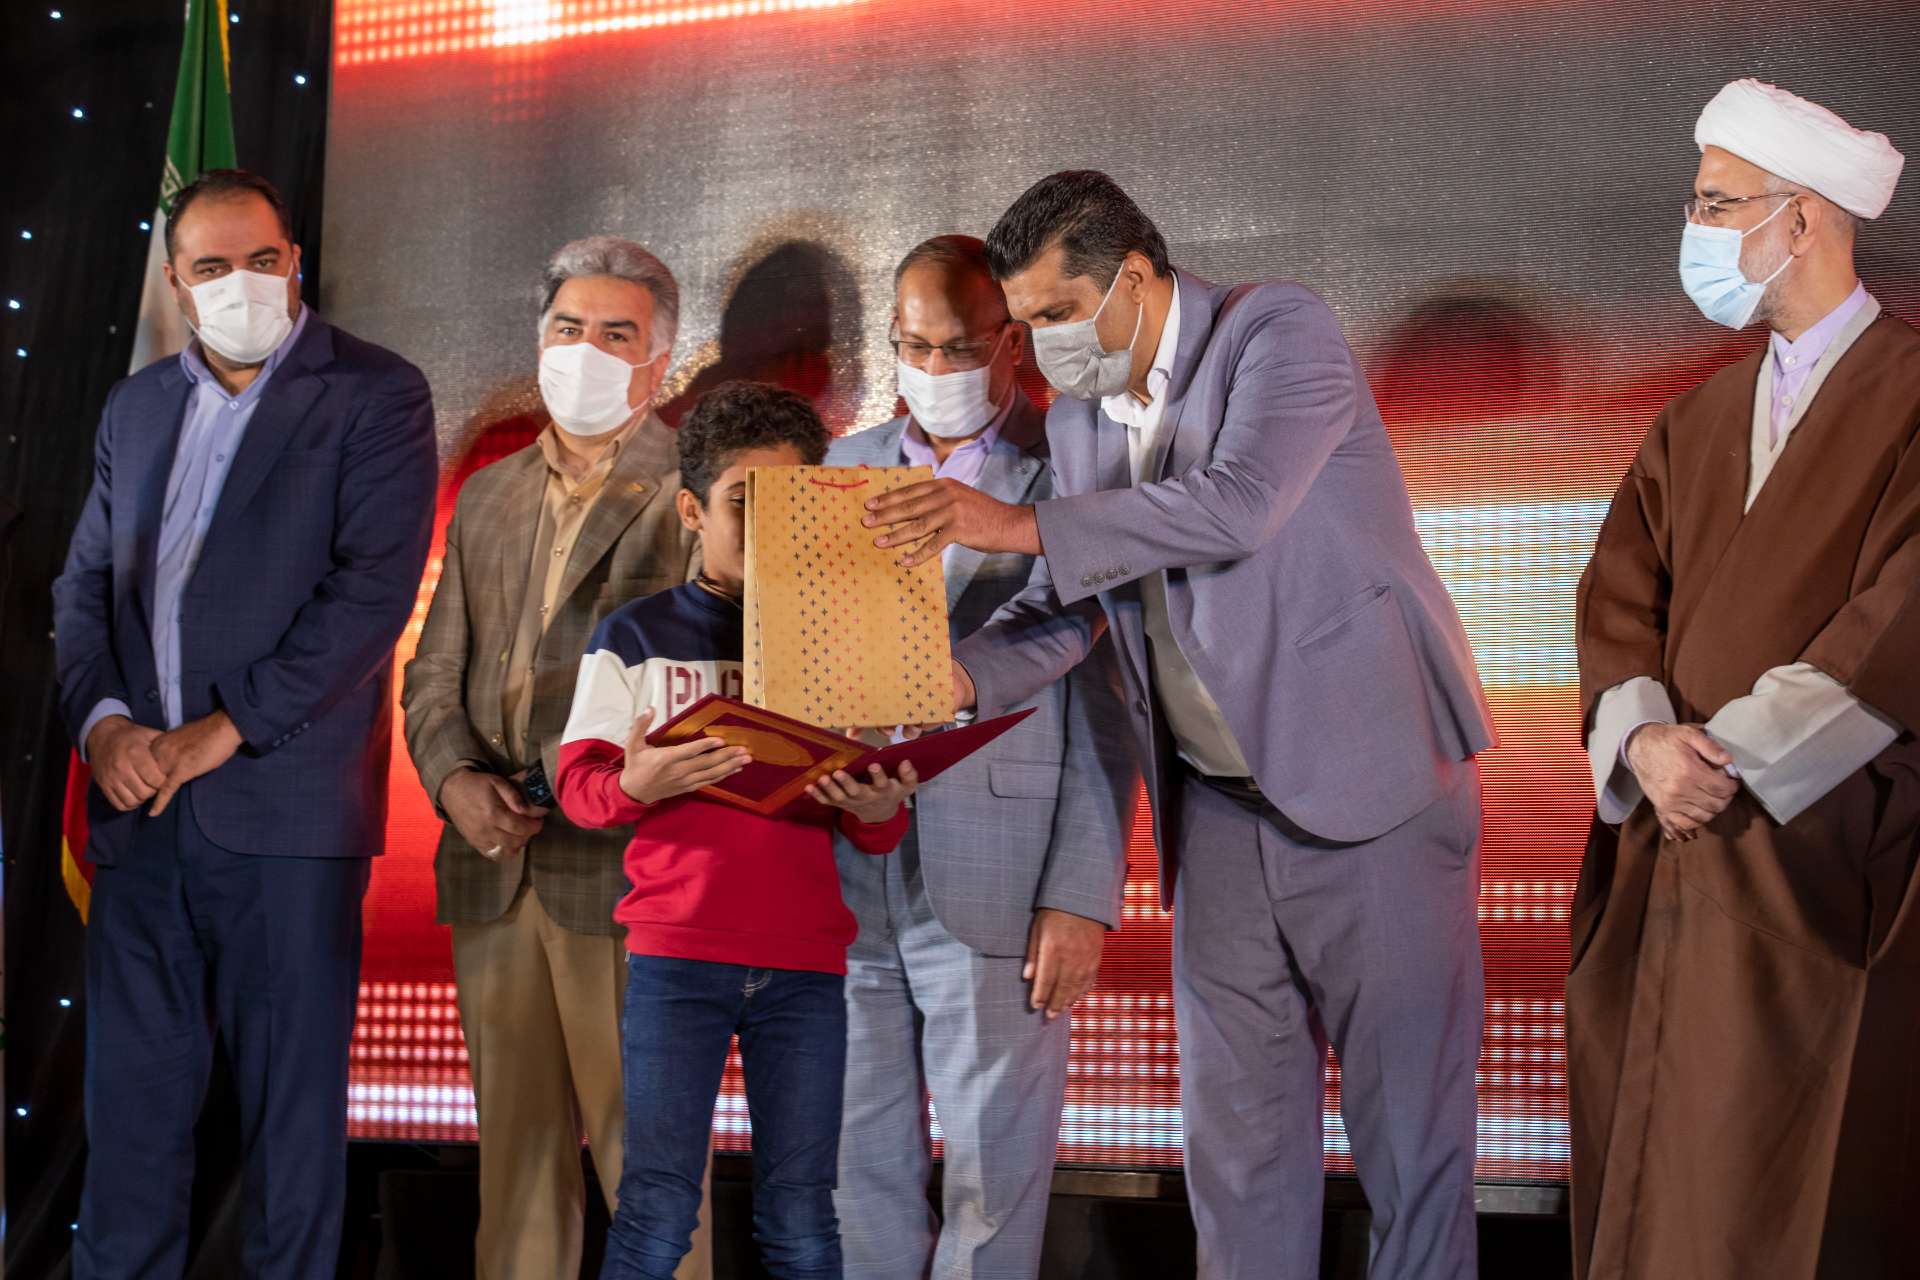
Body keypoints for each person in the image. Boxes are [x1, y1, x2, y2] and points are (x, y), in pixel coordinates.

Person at [865, 170, 1495, 1280]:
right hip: (1215, 813)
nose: (1044, 348)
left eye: (1058, 314)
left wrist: (1009, 522)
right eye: (1027, 324)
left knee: (1411, 1149)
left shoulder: (1276, 331)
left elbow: (1238, 505)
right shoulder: (1080, 420)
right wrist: (949, 680)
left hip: (1377, 790)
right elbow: (1066, 606)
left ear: (1135, 277)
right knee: (1237, 1159)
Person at [51, 168, 437, 1279]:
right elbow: (83, 588)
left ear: (295, 261)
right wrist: (107, 729)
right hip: (138, 815)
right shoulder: (135, 406)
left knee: (290, 1130)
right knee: (129, 1122)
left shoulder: (375, 392)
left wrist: (221, 730)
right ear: (176, 283)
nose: (242, 283)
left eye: (263, 260)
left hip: (285, 815)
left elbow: (370, 595)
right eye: (213, 266)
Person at [1571, 79, 1915, 1279]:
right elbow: (1620, 597)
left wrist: (1735, 758)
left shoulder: (1913, 396)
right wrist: (1646, 745)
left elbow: (1901, 613)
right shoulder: (1697, 418)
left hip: (1818, 853)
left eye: (1717, 205)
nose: (1696, 229)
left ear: (1802, 220)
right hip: (1670, 840)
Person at [555, 380, 921, 1280]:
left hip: (805, 964)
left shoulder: (846, 637)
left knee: (803, 1215)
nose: (768, 527)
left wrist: (879, 809)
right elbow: (580, 790)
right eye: (742, 503)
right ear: (691, 510)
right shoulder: (635, 635)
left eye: (791, 503)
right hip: (677, 957)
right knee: (655, 1210)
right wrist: (635, 782)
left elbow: (870, 825)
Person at [825, 235, 1135, 1280]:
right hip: (847, 866)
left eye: (957, 348)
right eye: (913, 346)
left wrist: (1081, 895)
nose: (933, 368)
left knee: (993, 1184)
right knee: (853, 1168)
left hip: (1002, 873)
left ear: (1011, 344)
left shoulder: (1075, 470)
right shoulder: (842, 467)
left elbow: (1109, 706)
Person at [401, 236, 710, 1280]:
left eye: (616, 333)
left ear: (660, 361)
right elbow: (432, 672)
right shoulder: (487, 493)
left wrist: (578, 783)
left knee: (651, 1174)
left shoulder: (694, 494)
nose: (585, 350)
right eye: (568, 328)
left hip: (628, 871)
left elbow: (708, 680)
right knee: (516, 1171)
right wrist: (454, 782)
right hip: (491, 865)